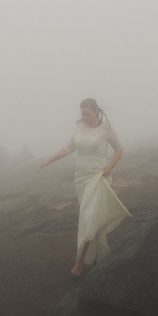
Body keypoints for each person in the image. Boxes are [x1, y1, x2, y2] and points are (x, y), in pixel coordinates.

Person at [37, 98, 130, 277]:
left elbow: (119, 148)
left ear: (96, 111)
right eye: (82, 114)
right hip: (81, 178)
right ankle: (98, 254)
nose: (85, 117)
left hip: (98, 176)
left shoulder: (106, 128)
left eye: (88, 114)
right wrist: (49, 160)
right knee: (92, 216)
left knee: (88, 217)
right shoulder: (79, 128)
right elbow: (68, 148)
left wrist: (109, 168)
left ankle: (79, 261)